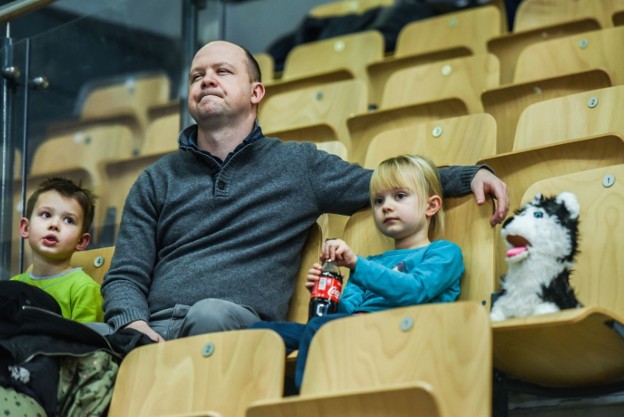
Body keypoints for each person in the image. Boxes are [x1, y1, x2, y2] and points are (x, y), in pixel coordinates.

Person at [100, 40, 508, 344]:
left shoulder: (298, 166)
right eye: (196, 75)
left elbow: (387, 185)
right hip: (149, 327)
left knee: (209, 316)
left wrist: (470, 175)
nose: (206, 79)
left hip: (230, 323)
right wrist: (133, 326)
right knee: (55, 334)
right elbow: (125, 275)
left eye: (223, 72)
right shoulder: (156, 179)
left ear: (256, 93)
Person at [251, 154, 464, 392]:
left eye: (400, 196)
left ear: (431, 206)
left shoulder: (444, 252)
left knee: (319, 331)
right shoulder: (370, 263)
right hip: (354, 332)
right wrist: (325, 295)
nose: (387, 207)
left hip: (405, 336)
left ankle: (308, 405)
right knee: (259, 334)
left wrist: (356, 265)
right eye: (378, 201)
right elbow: (345, 313)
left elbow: (415, 291)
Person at [10, 177, 103, 323]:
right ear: (25, 228)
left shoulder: (84, 289)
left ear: (81, 241)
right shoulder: (13, 285)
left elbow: (85, 343)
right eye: (46, 215)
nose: (54, 225)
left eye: (68, 220)